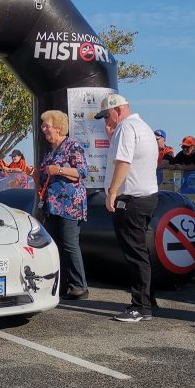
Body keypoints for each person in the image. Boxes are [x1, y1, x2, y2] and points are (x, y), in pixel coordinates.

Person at [95, 94, 160, 322]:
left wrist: (112, 191)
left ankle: (140, 306)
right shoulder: (142, 127)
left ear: (119, 110)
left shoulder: (126, 128)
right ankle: (148, 299)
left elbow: (124, 162)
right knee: (141, 252)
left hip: (131, 199)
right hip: (147, 196)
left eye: (107, 116)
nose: (106, 122)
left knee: (135, 254)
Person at [38, 109, 89, 300]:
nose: (44, 129)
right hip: (52, 204)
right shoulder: (50, 150)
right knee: (52, 244)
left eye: (47, 126)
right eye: (43, 126)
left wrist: (58, 169)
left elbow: (82, 171)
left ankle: (79, 286)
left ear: (58, 128)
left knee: (69, 244)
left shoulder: (72, 146)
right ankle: (60, 283)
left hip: (70, 204)